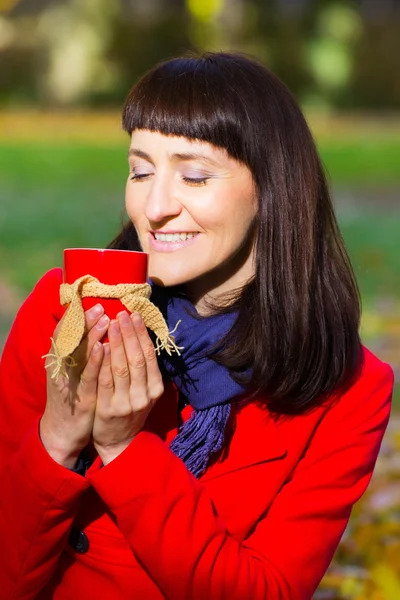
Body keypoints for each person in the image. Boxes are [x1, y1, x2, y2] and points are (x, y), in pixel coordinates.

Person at [0, 52, 394, 600]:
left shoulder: (349, 388)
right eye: (140, 171)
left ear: (271, 188)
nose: (154, 206)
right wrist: (58, 440)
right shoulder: (64, 315)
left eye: (194, 175)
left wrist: (125, 451)